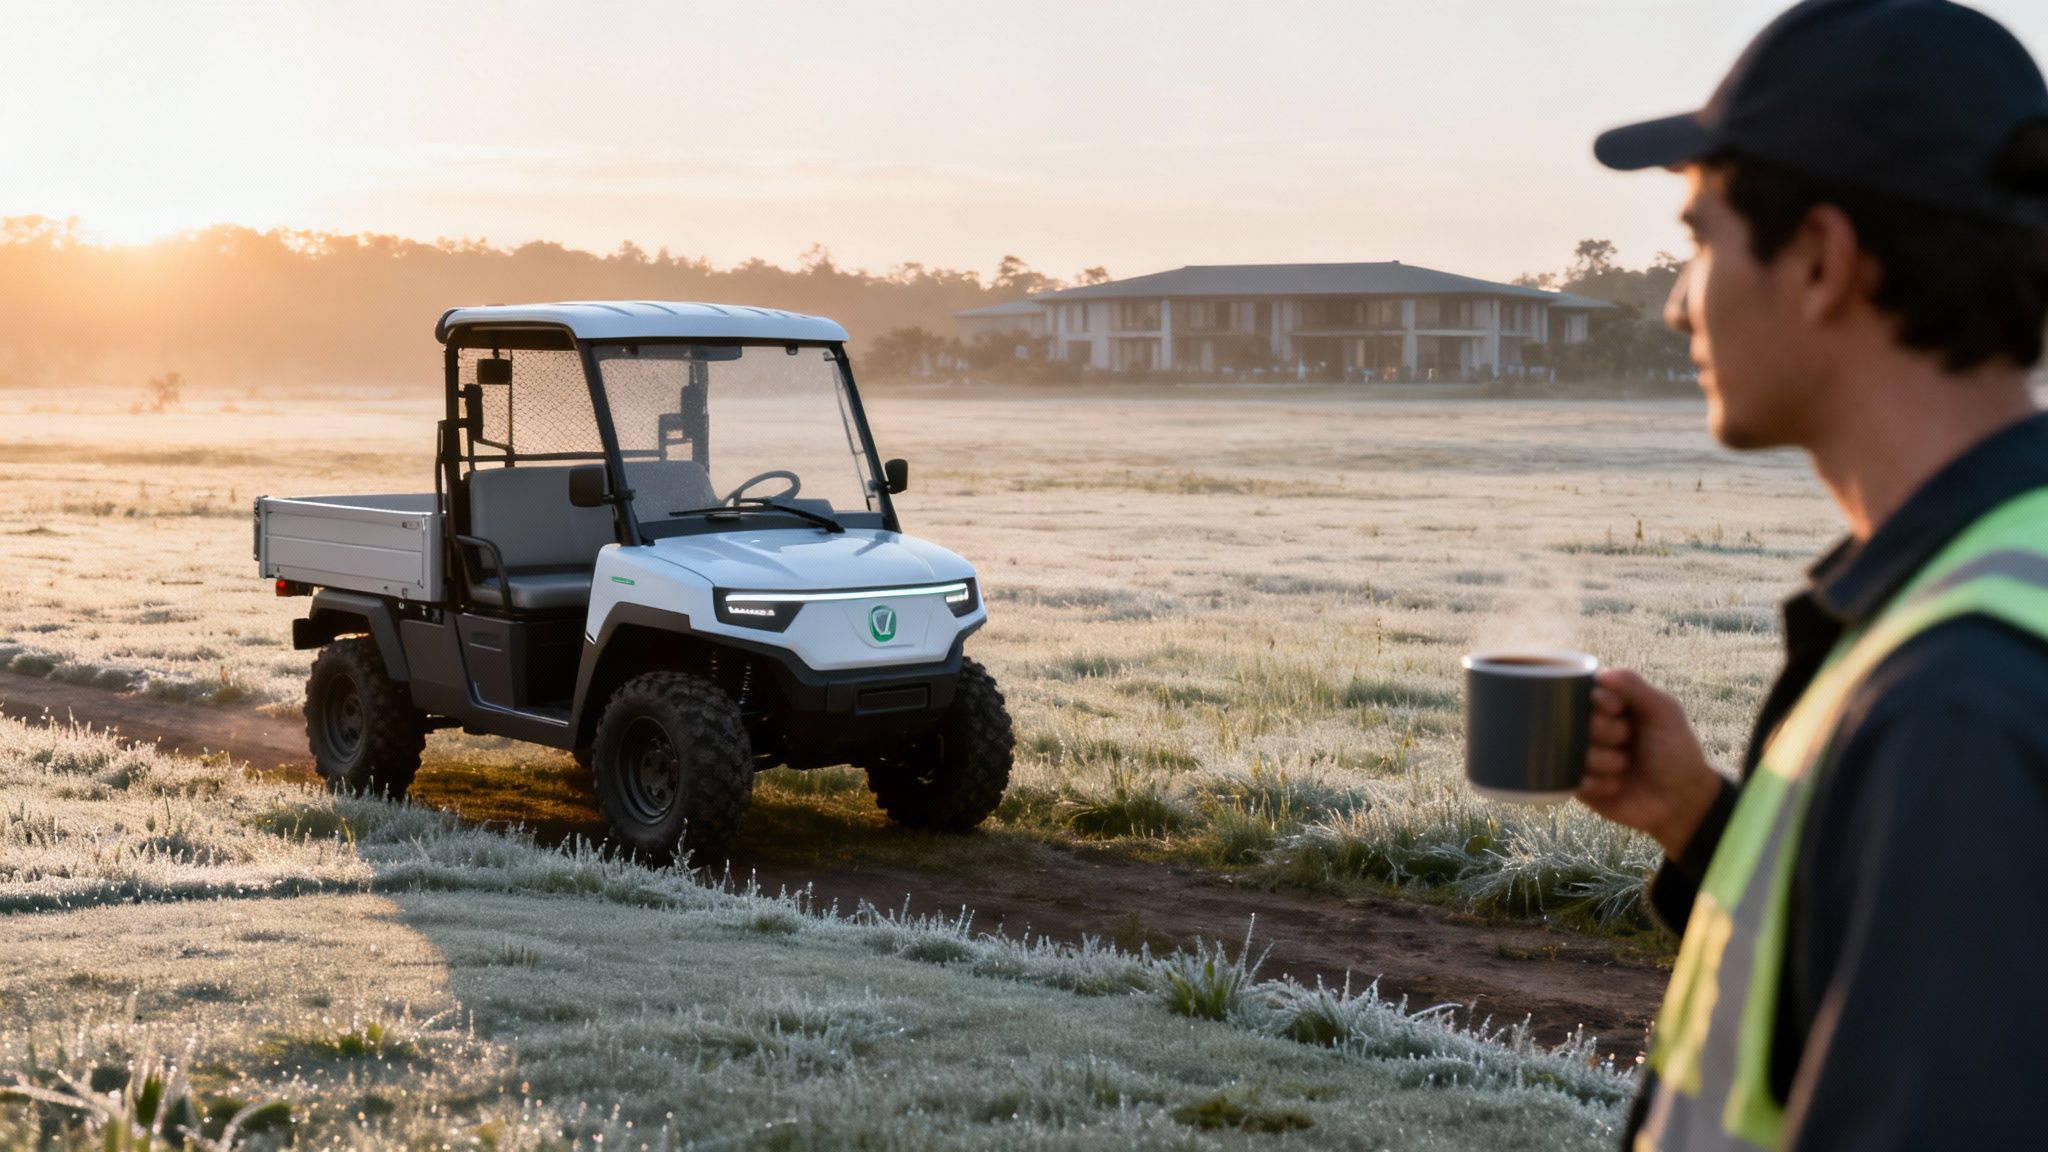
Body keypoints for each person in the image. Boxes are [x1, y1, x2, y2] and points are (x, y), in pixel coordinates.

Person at [1580, 1, 2048, 1149]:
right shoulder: (1984, 592)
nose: (1675, 299)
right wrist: (1702, 822)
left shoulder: (1951, 701)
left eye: (1699, 239)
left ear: (1820, 260)